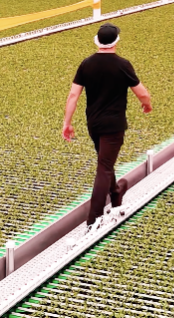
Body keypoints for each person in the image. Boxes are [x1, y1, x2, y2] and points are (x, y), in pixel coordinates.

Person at [61, 22, 153, 229]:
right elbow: (143, 93)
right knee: (104, 166)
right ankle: (93, 219)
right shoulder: (122, 64)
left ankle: (116, 192)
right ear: (116, 41)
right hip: (114, 125)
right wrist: (146, 106)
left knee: (105, 161)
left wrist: (67, 123)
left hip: (94, 124)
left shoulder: (87, 64)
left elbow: (73, 95)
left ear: (97, 41)